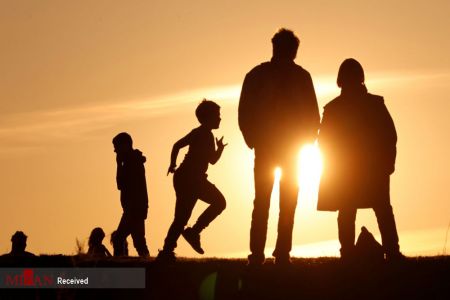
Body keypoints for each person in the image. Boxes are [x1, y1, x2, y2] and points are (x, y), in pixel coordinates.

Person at [238, 28, 320, 265]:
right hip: (277, 147)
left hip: (281, 147)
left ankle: (266, 253)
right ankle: (274, 252)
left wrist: (253, 138)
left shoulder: (259, 75)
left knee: (270, 201)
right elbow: (245, 111)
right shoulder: (294, 76)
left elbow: (245, 111)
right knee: (278, 200)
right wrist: (252, 138)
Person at [317, 58, 404, 261]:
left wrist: (387, 162)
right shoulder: (371, 104)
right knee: (372, 209)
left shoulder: (335, 108)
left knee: (358, 210)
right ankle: (389, 252)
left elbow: (389, 136)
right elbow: (390, 135)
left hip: (360, 169)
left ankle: (352, 253)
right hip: (362, 169)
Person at [157, 100, 227, 261]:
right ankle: (193, 233)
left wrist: (173, 164)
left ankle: (168, 250)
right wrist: (173, 164)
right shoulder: (204, 134)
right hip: (191, 178)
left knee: (181, 217)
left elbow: (177, 146)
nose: (220, 119)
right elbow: (212, 161)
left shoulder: (200, 133)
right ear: (208, 117)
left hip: (186, 177)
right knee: (219, 203)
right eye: (217, 115)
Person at [112, 132, 150, 257]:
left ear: (125, 145)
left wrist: (118, 165)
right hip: (136, 208)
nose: (115, 150)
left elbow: (120, 184)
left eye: (116, 147)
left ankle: (119, 267)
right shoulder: (133, 160)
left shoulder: (131, 162)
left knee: (119, 239)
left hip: (133, 209)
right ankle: (148, 266)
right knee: (139, 242)